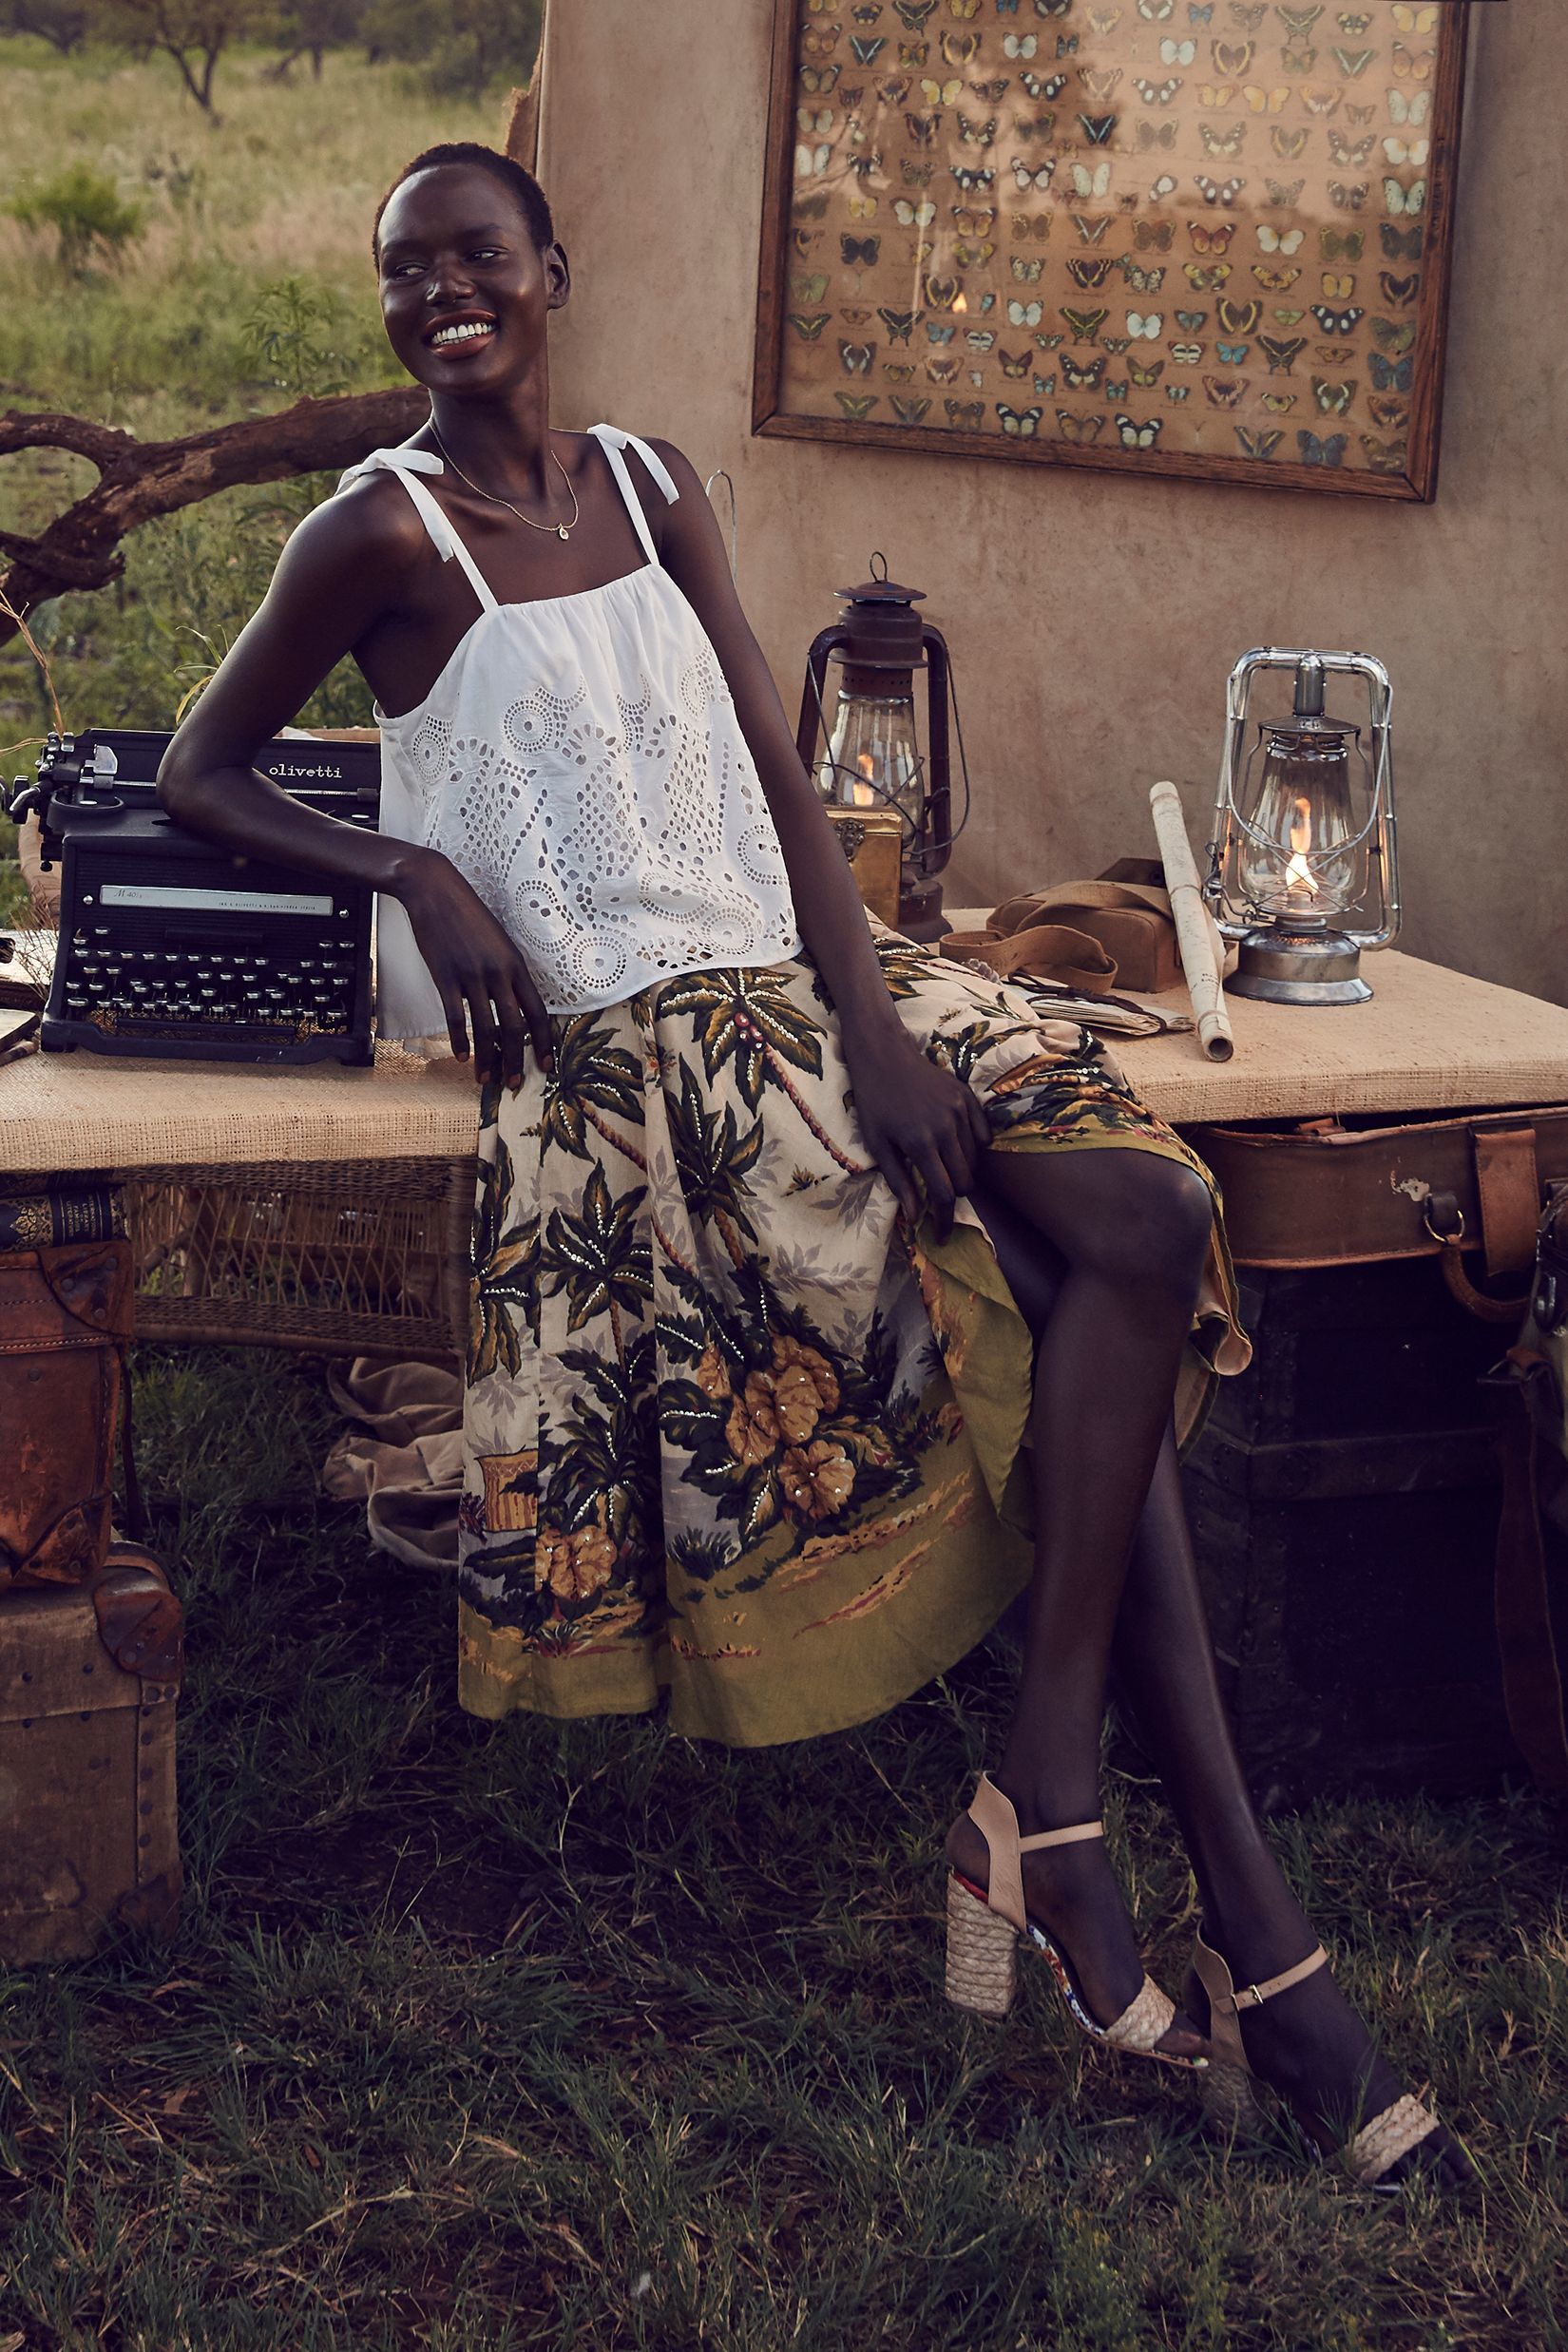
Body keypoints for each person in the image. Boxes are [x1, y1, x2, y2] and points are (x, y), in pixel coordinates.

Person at [158, 142, 1466, 2191]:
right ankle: (1238, 1930)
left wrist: (879, 1024)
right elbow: (196, 770)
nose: (440, 296)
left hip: (811, 975)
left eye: (476, 256)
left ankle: (1046, 1790)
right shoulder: (378, 531)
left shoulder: (655, 482)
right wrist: (411, 864)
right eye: (405, 272)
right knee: (1066, 1314)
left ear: (553, 264)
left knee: (1144, 1213)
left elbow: (780, 772)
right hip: (636, 1047)